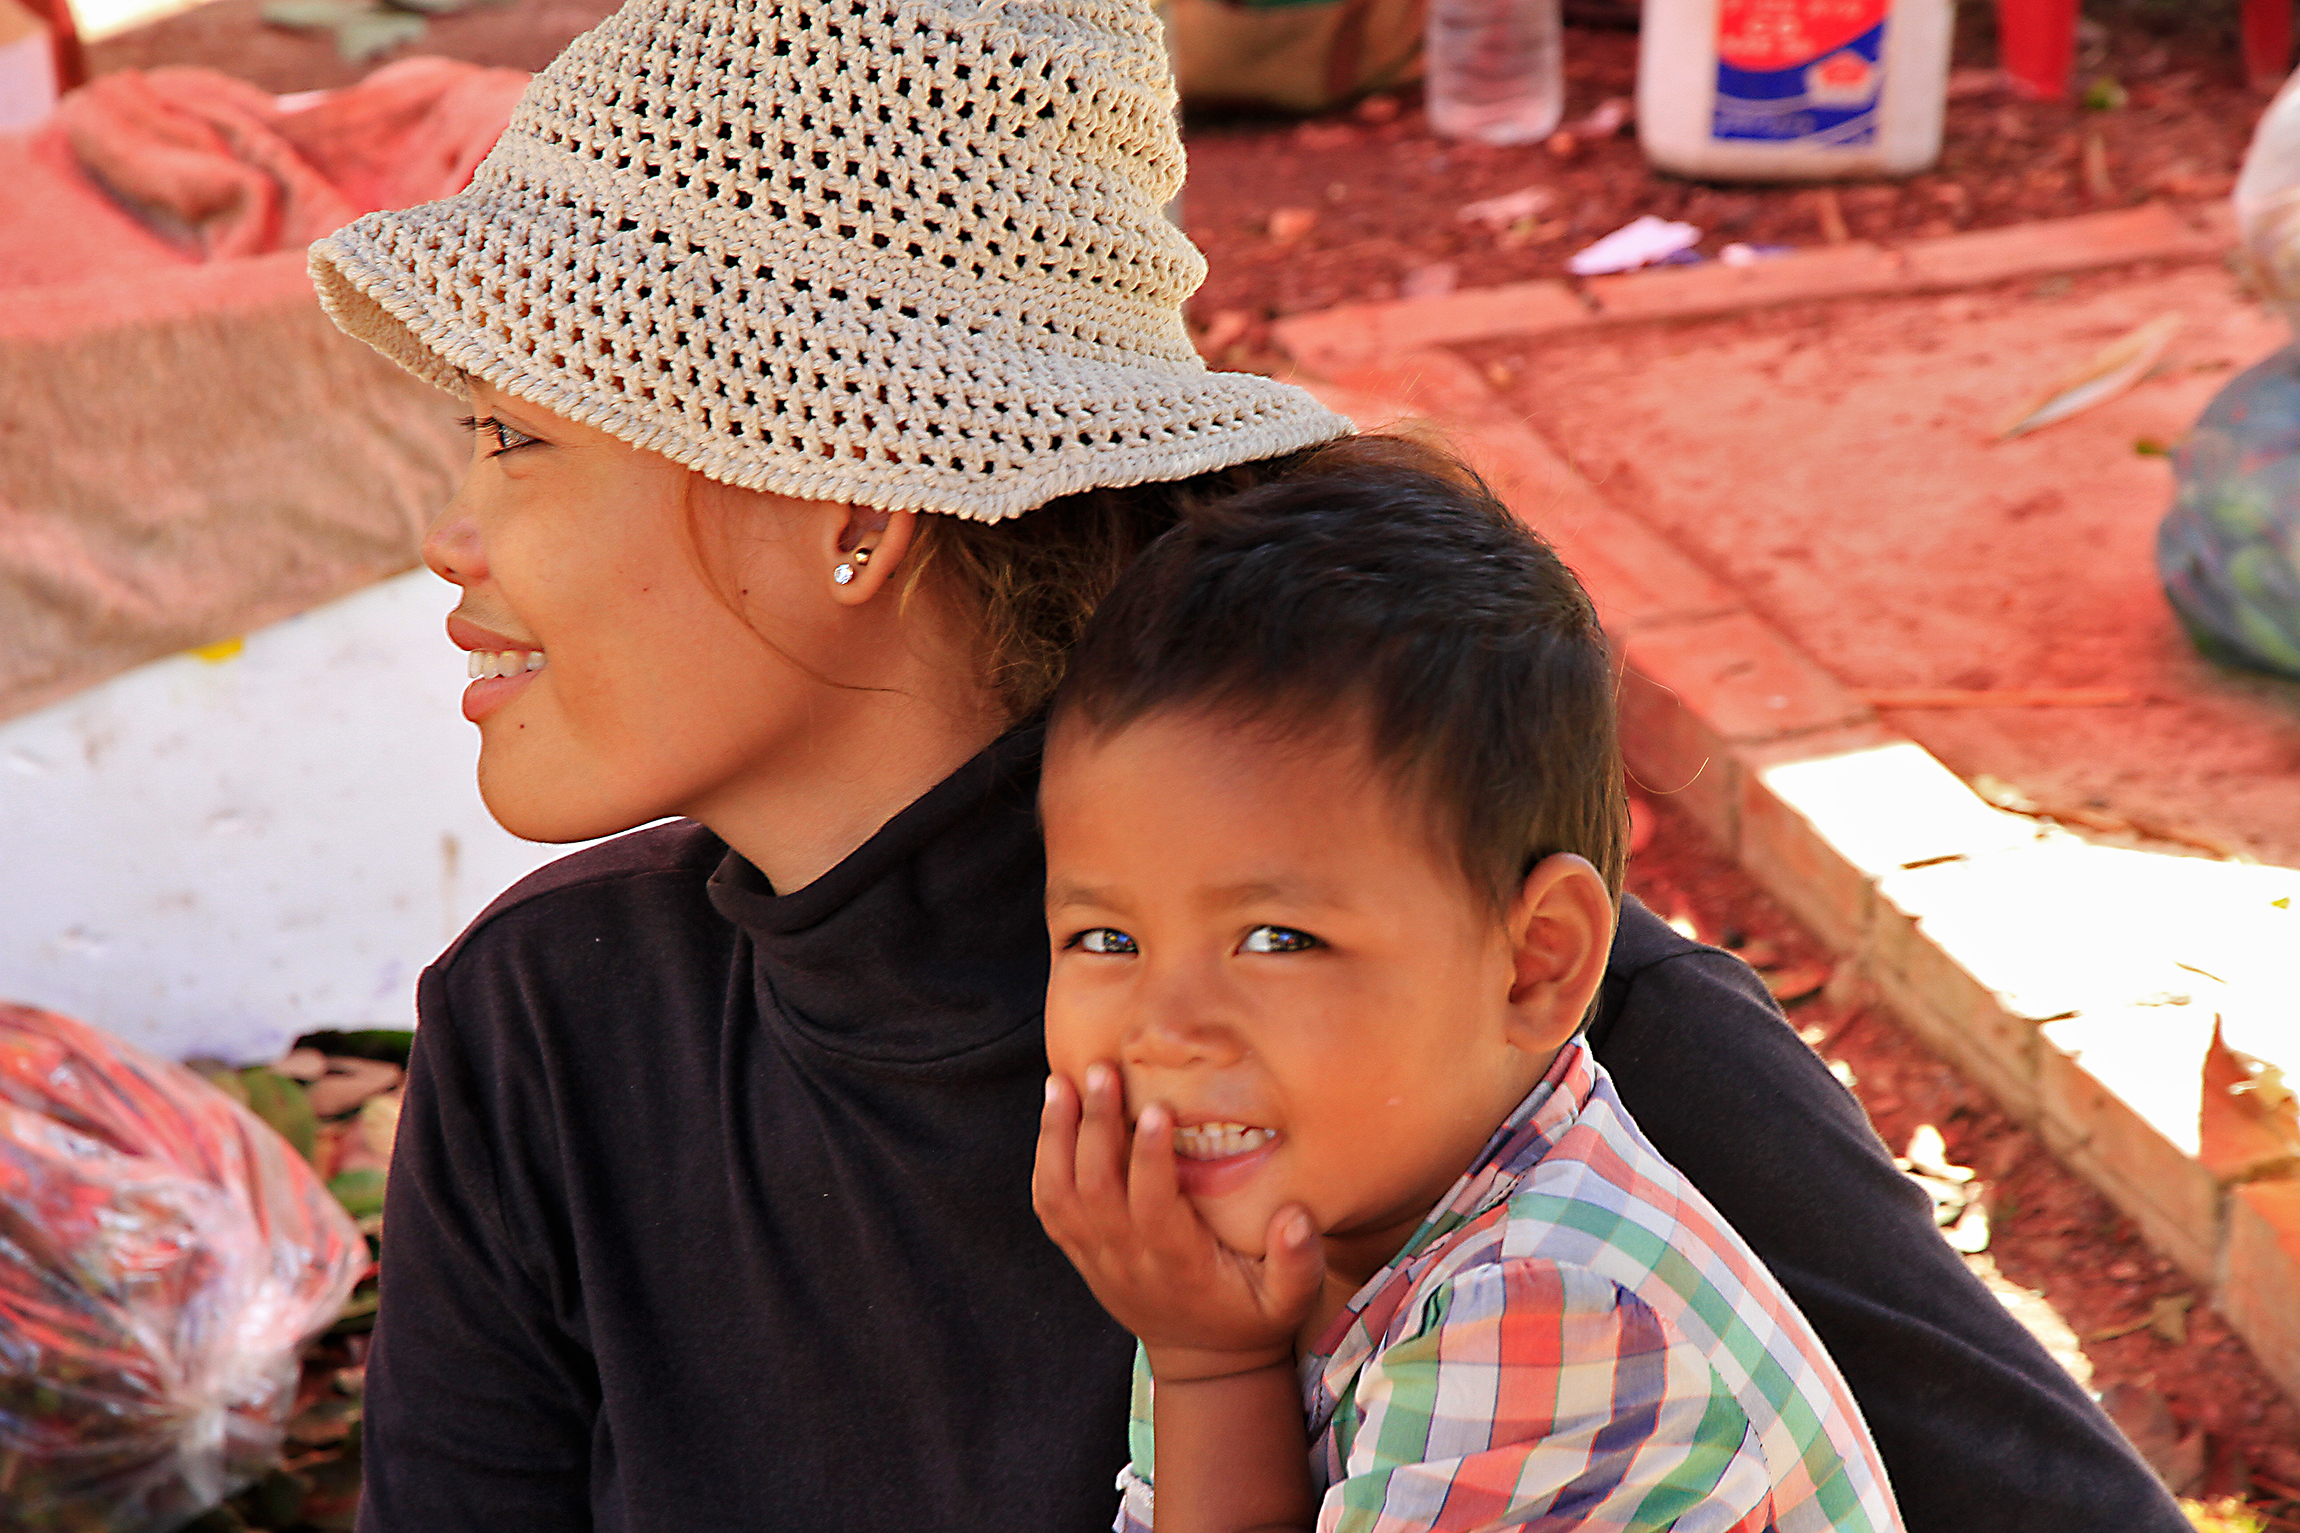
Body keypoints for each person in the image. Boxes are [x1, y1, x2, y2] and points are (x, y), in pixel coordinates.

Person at [304, 0, 2190, 1528]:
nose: (448, 541)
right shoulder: (554, 1027)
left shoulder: (1545, 1046)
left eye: (510, 437)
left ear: (849, 498)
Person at [1030, 438, 1902, 1532]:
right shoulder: (1298, 1237)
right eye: (1106, 941)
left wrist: (1207, 1367)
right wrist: (1207, 1358)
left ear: (1535, 964)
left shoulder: (1551, 1309)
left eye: (1276, 938)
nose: (1165, 1029)